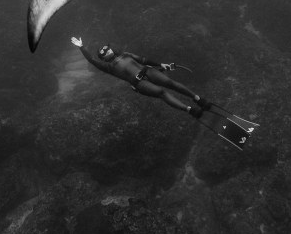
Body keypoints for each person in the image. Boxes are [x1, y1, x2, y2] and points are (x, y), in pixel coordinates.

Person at [70, 37, 258, 150]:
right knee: (161, 92)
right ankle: (190, 109)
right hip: (138, 82)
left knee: (170, 82)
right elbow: (92, 61)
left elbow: (145, 59)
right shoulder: (108, 67)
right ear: (104, 57)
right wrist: (81, 46)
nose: (107, 51)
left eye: (107, 48)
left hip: (148, 71)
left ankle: (199, 99)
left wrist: (162, 65)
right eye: (104, 52)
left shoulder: (126, 54)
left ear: (111, 48)